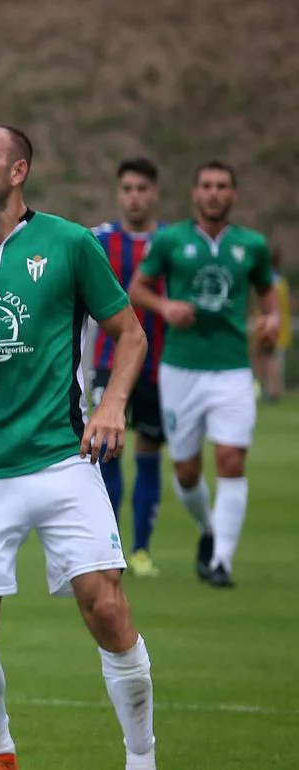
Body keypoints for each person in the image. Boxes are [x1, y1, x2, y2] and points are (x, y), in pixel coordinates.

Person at [0, 126, 155, 770]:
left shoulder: (71, 244)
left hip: (60, 458)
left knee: (105, 604)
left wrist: (111, 404)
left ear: (18, 171)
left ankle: (142, 757)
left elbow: (129, 335)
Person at [128, 160, 281, 588]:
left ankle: (222, 562)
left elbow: (268, 293)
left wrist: (271, 320)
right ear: (195, 194)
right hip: (180, 369)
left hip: (232, 368)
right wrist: (165, 307)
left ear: (233, 195)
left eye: (223, 186)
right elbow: (137, 289)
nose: (214, 193)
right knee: (186, 472)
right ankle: (209, 530)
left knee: (231, 460)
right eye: (207, 186)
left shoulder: (252, 245)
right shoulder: (170, 241)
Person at [88, 158, 167, 577]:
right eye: (127, 189)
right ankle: (112, 546)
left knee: (150, 455)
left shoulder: (171, 242)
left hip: (158, 368)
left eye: (142, 188)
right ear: (119, 194)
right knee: (106, 455)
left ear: (154, 193)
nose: (134, 196)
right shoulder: (98, 241)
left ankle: (141, 549)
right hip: (106, 364)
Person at [251, 247, 291, 403]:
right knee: (266, 356)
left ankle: (268, 389)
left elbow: (267, 303)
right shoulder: (280, 278)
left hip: (267, 323)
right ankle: (270, 389)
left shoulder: (270, 279)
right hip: (277, 323)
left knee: (267, 356)